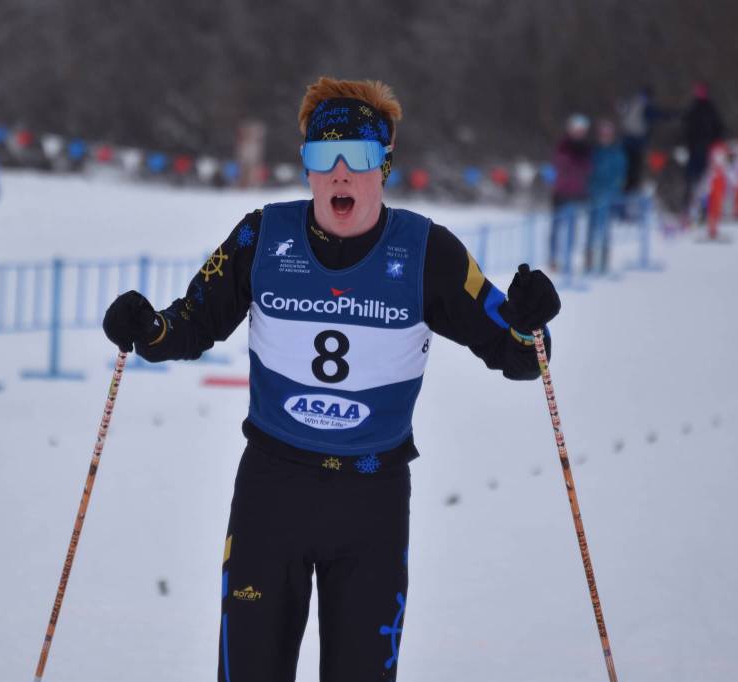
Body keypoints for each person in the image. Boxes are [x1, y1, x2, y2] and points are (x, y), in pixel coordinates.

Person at [102, 77, 561, 682]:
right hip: (273, 492)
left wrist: (532, 325)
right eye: (324, 157)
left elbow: (521, 355)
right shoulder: (262, 236)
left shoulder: (428, 252)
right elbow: (190, 324)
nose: (341, 173)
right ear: (308, 168)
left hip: (370, 501)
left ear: (386, 166)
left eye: (361, 158)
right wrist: (147, 328)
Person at [549, 114, 592, 273]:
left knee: (573, 228)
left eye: (581, 130)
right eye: (576, 130)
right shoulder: (564, 145)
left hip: (577, 193)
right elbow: (561, 163)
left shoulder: (586, 148)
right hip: (561, 192)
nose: (578, 133)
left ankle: (567, 259)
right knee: (557, 227)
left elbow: (587, 168)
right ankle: (553, 258)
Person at [586, 119, 627, 274]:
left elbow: (619, 175)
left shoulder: (616, 153)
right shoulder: (594, 152)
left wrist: (612, 192)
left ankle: (603, 261)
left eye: (607, 134)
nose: (605, 137)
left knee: (604, 230)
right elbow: (589, 173)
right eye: (602, 134)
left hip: (608, 197)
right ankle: (589, 261)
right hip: (593, 195)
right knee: (591, 229)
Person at [681, 82, 726, 222]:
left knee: (703, 182)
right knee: (691, 181)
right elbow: (685, 128)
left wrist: (716, 143)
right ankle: (688, 210)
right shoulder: (694, 108)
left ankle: (703, 211)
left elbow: (719, 127)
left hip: (705, 150)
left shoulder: (708, 108)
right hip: (695, 150)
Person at [617, 86, 670, 193]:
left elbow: (621, 109)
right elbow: (657, 115)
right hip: (636, 141)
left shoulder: (632, 101)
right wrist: (669, 115)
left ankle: (624, 188)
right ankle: (630, 190)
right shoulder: (645, 106)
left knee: (626, 166)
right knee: (635, 167)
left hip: (626, 139)